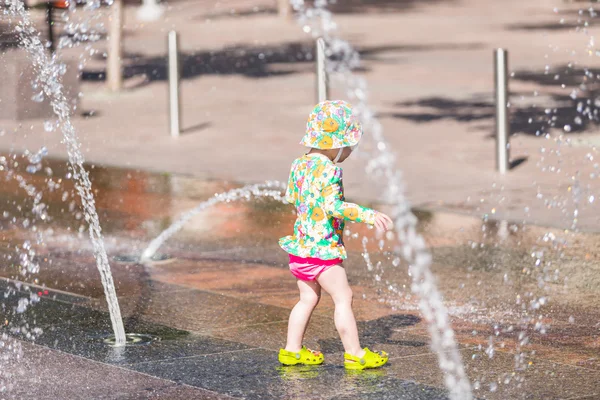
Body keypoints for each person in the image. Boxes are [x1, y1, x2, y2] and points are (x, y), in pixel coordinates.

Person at [278, 100, 393, 370]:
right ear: (334, 143)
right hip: (322, 252)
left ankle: (291, 351)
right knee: (344, 298)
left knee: (307, 299)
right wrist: (366, 215)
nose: (350, 150)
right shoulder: (330, 170)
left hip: (300, 249)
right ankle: (355, 353)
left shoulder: (299, 165)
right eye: (348, 144)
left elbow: (292, 199)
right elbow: (334, 207)